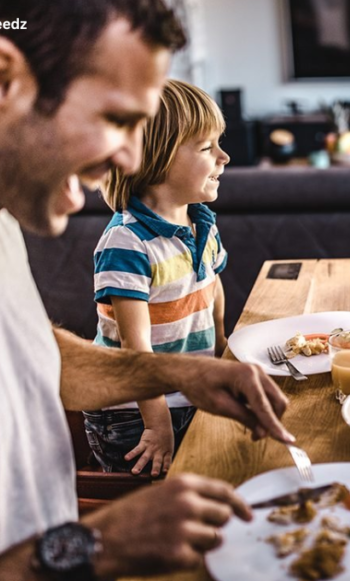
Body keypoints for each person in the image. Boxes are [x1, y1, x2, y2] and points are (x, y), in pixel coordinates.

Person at [0, 2, 295, 581]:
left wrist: (182, 370)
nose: (129, 156)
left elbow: (37, 358)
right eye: (117, 118)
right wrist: (98, 546)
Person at [84, 79, 231, 476]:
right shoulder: (127, 242)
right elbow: (137, 347)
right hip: (134, 414)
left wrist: (221, 350)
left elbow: (211, 287)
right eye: (206, 148)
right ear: (157, 158)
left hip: (187, 393)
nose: (224, 157)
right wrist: (157, 424)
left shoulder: (200, 221)